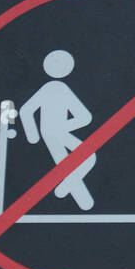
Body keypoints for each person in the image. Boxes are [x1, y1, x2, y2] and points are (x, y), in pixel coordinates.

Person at [19, 50, 96, 210]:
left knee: (81, 160)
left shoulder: (58, 88)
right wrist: (32, 135)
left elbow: (84, 117)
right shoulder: (53, 88)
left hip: (54, 133)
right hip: (53, 134)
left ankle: (65, 190)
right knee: (86, 158)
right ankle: (73, 196)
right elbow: (25, 111)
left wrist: (40, 133)